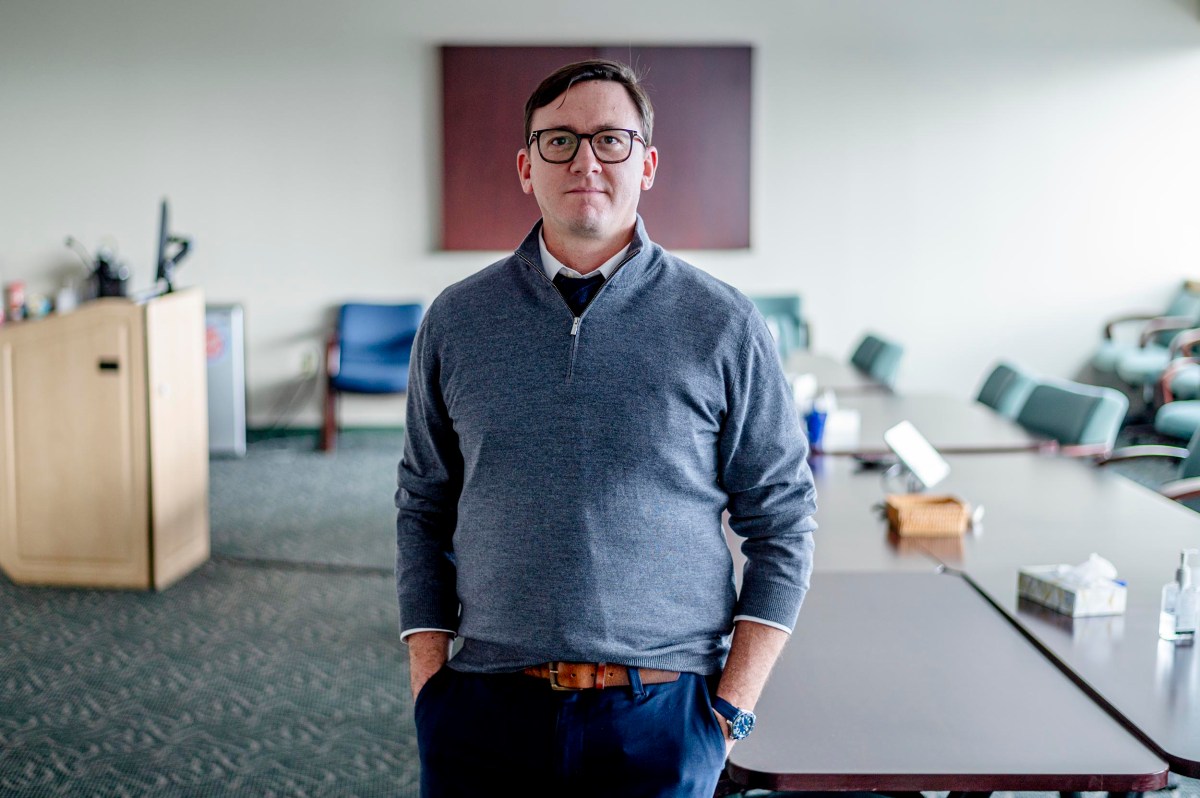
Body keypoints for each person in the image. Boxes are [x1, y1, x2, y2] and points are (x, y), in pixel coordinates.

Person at [396, 58, 817, 798]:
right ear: (526, 168)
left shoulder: (722, 323)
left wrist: (730, 713)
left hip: (660, 715)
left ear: (647, 163)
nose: (585, 159)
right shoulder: (457, 321)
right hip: (483, 708)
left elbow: (783, 521)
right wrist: (429, 687)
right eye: (558, 141)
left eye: (611, 140)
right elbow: (422, 507)